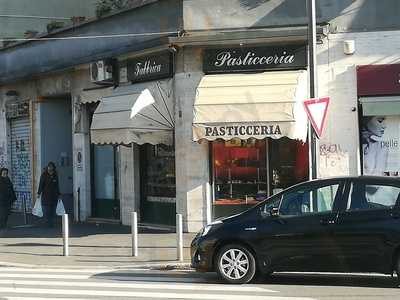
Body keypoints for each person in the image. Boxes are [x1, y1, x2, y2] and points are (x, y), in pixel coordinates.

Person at [37, 162, 60, 227]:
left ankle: (51, 223)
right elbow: (41, 184)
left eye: (51, 166)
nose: (50, 168)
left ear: (53, 167)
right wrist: (39, 193)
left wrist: (59, 194)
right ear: (47, 167)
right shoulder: (44, 175)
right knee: (47, 211)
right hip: (46, 196)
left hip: (54, 196)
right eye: (49, 166)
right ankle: (47, 223)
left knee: (53, 211)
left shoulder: (55, 175)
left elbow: (57, 186)